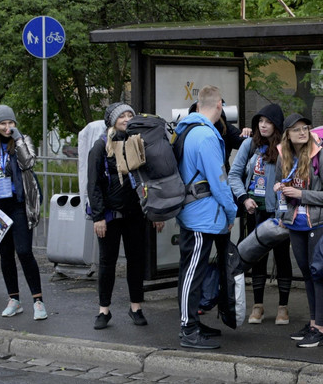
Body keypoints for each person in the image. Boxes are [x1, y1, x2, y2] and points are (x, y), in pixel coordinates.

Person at [87, 102, 166, 330]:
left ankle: (136, 307)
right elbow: (93, 185)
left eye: (130, 114)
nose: (127, 118)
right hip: (110, 216)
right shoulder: (100, 147)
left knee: (136, 261)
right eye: (122, 115)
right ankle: (104, 310)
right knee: (107, 263)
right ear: (112, 121)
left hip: (135, 214)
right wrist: (98, 217)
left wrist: (155, 212)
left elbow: (150, 180)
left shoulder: (139, 143)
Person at [175, 86, 238, 350]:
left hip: (191, 211)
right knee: (193, 272)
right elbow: (219, 180)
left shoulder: (187, 129)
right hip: (202, 215)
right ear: (220, 106)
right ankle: (189, 329)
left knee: (191, 271)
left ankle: (193, 324)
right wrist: (231, 210)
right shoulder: (205, 136)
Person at [0, 105, 47, 320]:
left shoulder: (23, 141)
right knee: (5, 254)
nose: (7, 127)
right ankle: (14, 299)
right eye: (3, 124)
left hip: (20, 205)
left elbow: (29, 163)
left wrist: (19, 140)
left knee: (24, 251)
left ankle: (38, 300)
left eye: (11, 123)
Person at [276, 113, 323, 347]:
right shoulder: (283, 155)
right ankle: (313, 324)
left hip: (319, 223)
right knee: (307, 275)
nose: (302, 132)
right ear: (287, 135)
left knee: (319, 275)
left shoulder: (321, 155)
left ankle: (320, 331)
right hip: (296, 224)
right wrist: (281, 195)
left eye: (305, 128)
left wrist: (301, 194)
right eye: (296, 129)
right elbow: (280, 190)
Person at [228, 103, 293, 325]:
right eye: (260, 122)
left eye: (268, 122)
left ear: (277, 125)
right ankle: (258, 306)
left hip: (279, 212)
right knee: (257, 257)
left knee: (283, 257)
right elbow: (234, 175)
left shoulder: (286, 146)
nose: (263, 126)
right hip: (255, 210)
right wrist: (244, 198)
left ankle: (283, 307)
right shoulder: (249, 144)